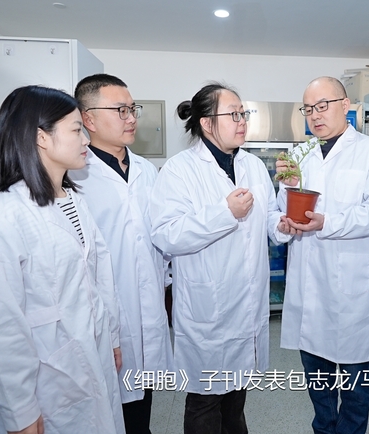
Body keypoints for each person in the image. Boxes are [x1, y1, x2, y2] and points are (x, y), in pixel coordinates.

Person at [0, 85, 125, 434]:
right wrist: (18, 409)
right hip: (47, 380)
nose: (86, 140)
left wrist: (111, 336)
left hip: (91, 358)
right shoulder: (0, 217)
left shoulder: (74, 202)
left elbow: (99, 282)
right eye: (76, 130)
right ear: (41, 137)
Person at [148, 82, 289, 434]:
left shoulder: (252, 165)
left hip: (246, 302)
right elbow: (166, 234)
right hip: (207, 306)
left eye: (244, 113)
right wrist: (225, 214)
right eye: (233, 114)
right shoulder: (179, 170)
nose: (242, 121)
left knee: (236, 396)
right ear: (207, 123)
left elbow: (269, 217)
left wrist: (283, 224)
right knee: (205, 399)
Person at [276, 76, 369, 434]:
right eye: (308, 109)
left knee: (354, 384)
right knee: (318, 380)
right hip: (308, 282)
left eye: (322, 106)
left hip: (349, 283)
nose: (315, 115)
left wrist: (328, 222)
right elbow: (285, 207)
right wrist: (287, 189)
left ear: (345, 105)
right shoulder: (301, 153)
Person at [69, 73, 173, 434]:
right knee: (105, 412)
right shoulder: (74, 177)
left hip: (148, 306)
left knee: (141, 407)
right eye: (121, 110)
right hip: (104, 314)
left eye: (133, 109)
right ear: (89, 118)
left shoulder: (147, 170)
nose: (131, 118)